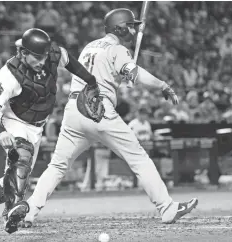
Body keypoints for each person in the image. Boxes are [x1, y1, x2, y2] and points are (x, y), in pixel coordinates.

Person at [22, 8, 198, 228]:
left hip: (74, 109)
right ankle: (167, 208)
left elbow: (108, 73)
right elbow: (136, 74)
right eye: (131, 25)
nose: (134, 29)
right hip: (98, 107)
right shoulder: (117, 49)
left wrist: (121, 77)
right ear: (120, 27)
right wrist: (162, 85)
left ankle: (28, 212)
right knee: (138, 158)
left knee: (57, 166)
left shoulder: (90, 46)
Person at [0, 28, 101, 234]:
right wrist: (1, 133)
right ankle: (11, 211)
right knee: (21, 164)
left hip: (37, 127)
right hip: (14, 122)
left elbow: (70, 61)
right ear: (23, 53)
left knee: (10, 187)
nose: (42, 60)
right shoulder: (8, 74)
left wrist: (90, 80)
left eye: (45, 55)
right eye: (37, 56)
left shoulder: (52, 54)